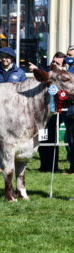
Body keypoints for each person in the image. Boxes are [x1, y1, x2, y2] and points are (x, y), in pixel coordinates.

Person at [0, 47, 27, 173]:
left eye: (7, 57)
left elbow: (24, 90)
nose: (4, 59)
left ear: (12, 59)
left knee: (12, 137)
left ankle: (14, 162)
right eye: (3, 57)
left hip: (14, 110)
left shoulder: (20, 73)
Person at [29, 51, 66, 172]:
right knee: (42, 138)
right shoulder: (48, 74)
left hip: (56, 113)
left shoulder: (64, 77)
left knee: (52, 139)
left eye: (57, 63)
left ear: (62, 66)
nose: (54, 64)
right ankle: (44, 165)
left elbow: (59, 93)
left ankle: (52, 167)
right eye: (53, 62)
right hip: (43, 113)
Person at [63, 45, 74, 173]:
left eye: (70, 55)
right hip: (69, 112)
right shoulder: (67, 71)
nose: (68, 57)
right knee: (70, 141)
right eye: (67, 55)